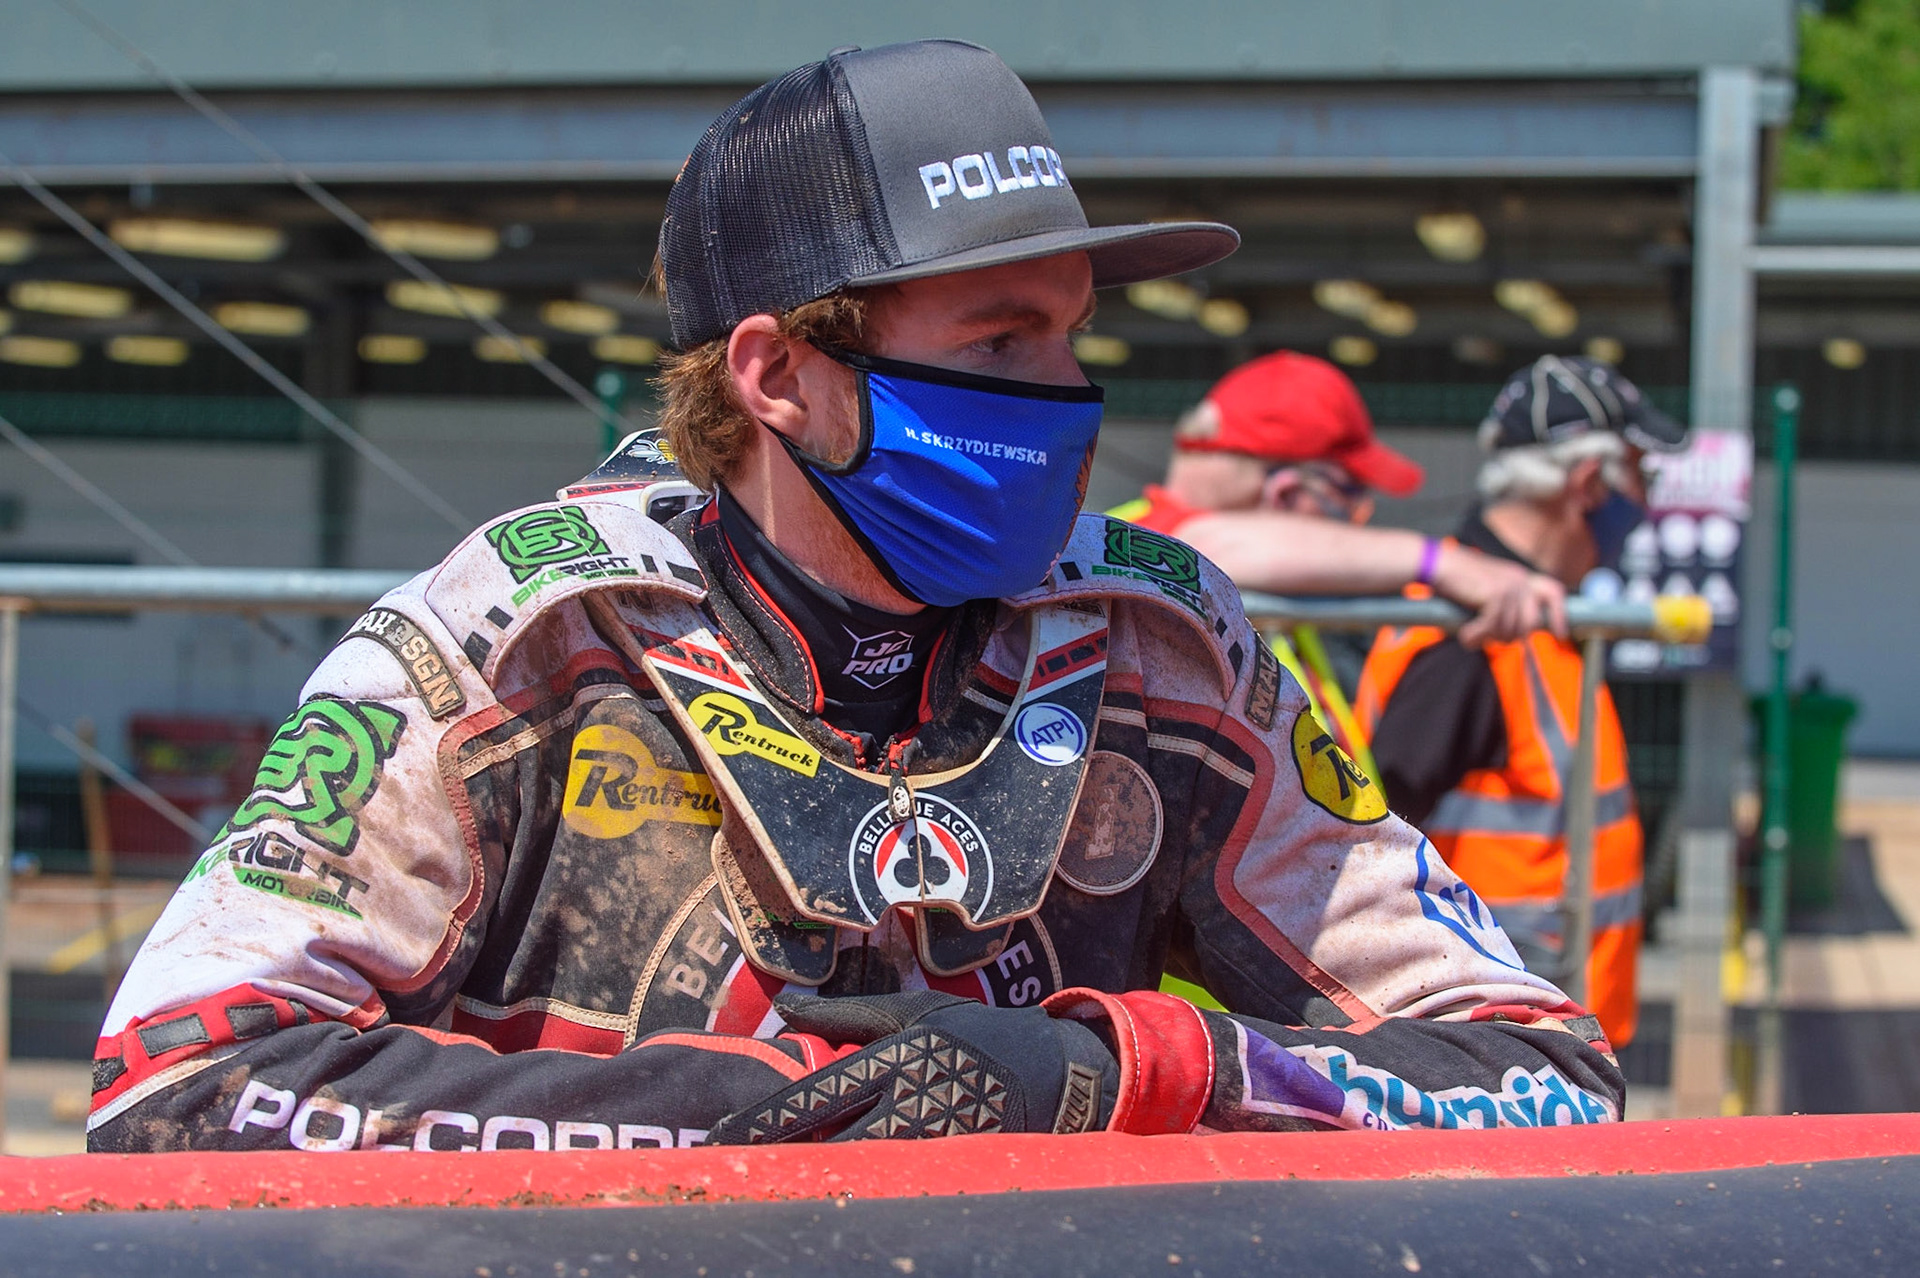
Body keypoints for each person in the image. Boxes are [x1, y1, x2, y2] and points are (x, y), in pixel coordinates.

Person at [88, 42, 1623, 1153]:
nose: (1070, 396)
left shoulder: (1165, 647)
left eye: (1074, 340)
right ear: (783, 378)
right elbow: (176, 1077)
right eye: (1003, 341)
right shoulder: (523, 635)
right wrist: (758, 1112)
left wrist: (1111, 1068)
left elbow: (1547, 1066)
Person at [1355, 355, 1688, 1046]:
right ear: (1590, 483)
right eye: (1641, 475)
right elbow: (1372, 850)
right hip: (1501, 1053)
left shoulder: (1526, 620)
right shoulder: (1468, 640)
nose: (1646, 499)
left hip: (1545, 1040)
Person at [1112, 350, 1570, 778]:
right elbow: (1197, 549)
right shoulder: (1132, 543)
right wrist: (1441, 563)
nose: (1358, 520)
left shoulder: (1271, 586)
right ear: (1285, 493)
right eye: (1348, 494)